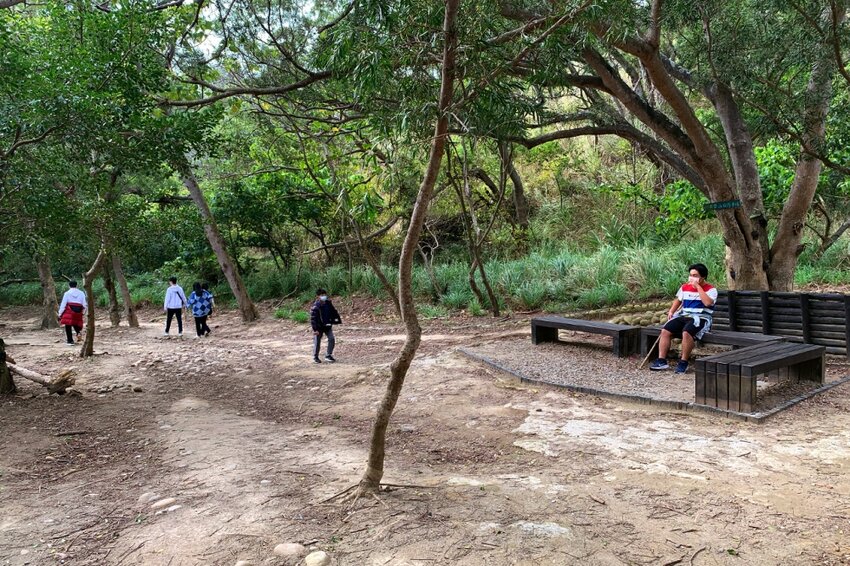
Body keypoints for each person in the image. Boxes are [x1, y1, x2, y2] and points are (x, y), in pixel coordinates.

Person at [650, 263, 718, 374]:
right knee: (665, 330)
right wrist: (672, 311)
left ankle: (683, 362)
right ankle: (662, 361)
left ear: (703, 277)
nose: (692, 278)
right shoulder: (684, 287)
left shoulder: (711, 290)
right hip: (684, 315)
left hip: (701, 318)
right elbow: (678, 300)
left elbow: (707, 303)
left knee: (686, 332)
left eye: (695, 275)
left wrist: (698, 287)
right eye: (691, 275)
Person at [309, 288, 342, 364]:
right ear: (317, 296)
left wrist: (336, 320)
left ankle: (328, 355)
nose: (324, 296)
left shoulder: (328, 303)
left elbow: (334, 312)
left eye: (324, 295)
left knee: (331, 339)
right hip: (319, 327)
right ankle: (315, 357)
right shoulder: (315, 306)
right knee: (317, 342)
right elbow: (313, 319)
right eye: (322, 295)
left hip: (327, 326)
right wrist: (315, 330)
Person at [58, 280, 87, 346]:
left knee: (68, 325)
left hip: (69, 311)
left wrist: (60, 313)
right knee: (76, 322)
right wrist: (84, 312)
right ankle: (78, 332)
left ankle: (70, 340)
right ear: (76, 285)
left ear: (69, 286)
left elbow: (63, 304)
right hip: (79, 310)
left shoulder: (67, 293)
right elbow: (84, 304)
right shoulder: (81, 293)